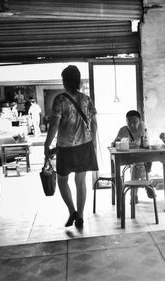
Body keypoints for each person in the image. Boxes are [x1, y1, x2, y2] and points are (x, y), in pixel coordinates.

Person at [44, 65, 98, 228]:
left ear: (64, 81)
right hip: (84, 146)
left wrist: (47, 144)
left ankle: (72, 211)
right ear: (78, 80)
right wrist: (92, 141)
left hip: (66, 148)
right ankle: (80, 216)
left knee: (62, 180)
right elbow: (94, 123)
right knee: (80, 182)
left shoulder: (59, 100)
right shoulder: (86, 99)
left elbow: (54, 125)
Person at [112, 110, 152, 202]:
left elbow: (140, 143)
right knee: (137, 165)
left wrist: (126, 144)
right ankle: (147, 184)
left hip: (142, 157)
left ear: (140, 121)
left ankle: (133, 195)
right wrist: (116, 142)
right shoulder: (123, 130)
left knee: (136, 166)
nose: (132, 125)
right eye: (129, 122)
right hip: (129, 157)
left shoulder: (143, 126)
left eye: (134, 122)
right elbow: (114, 143)